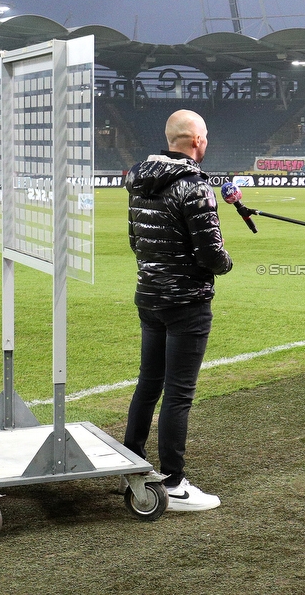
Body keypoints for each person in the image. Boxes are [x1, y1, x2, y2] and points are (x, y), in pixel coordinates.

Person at [123, 109, 233, 511]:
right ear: (197, 141)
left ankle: (131, 464)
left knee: (148, 383)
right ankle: (172, 482)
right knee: (179, 393)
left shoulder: (138, 180)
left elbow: (136, 241)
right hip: (186, 302)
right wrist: (226, 264)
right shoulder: (195, 186)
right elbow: (211, 253)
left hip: (149, 296)